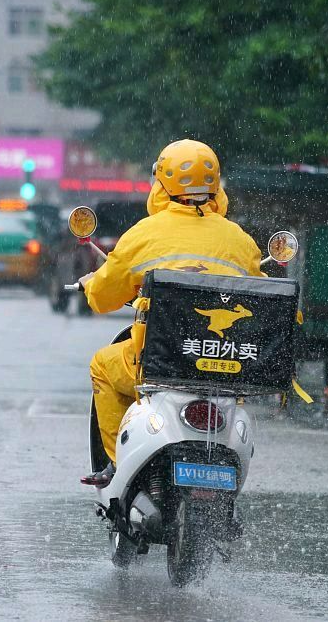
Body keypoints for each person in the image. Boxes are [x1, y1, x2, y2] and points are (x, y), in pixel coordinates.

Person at [79, 139, 263, 486]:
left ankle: (117, 468)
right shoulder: (239, 240)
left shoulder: (145, 235)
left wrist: (91, 284)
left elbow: (102, 298)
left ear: (162, 184)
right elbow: (263, 298)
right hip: (223, 368)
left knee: (102, 365)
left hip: (156, 364)